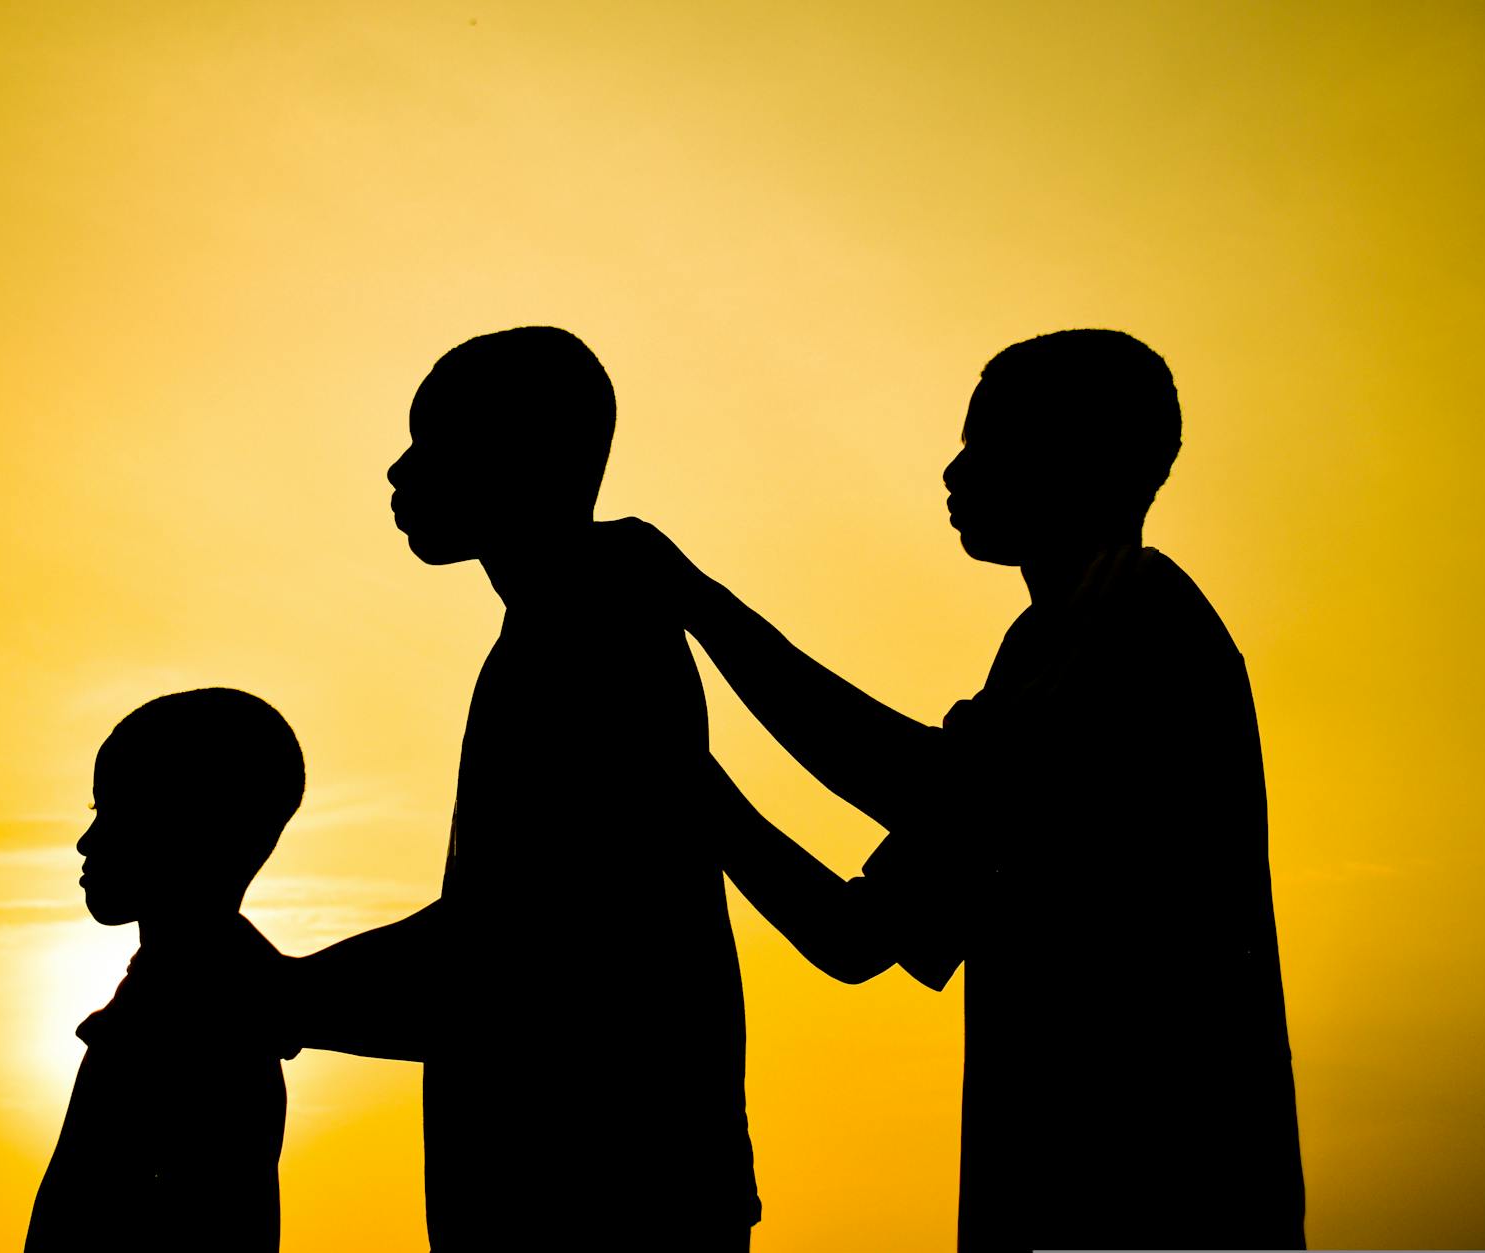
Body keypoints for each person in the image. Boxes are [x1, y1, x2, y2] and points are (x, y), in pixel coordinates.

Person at [616, 329, 1306, 1250]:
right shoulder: (1041, 654)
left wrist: (695, 600)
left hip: (1160, 1203)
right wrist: (692, 784)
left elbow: (920, 787)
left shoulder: (1144, 629)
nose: (952, 469)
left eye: (988, 444)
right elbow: (857, 934)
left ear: (1079, 459)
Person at [280, 327, 760, 1251]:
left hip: (603, 1187)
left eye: (433, 442)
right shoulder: (560, 631)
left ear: (520, 457)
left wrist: (285, 993)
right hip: (607, 1175)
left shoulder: (583, 640)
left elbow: (514, 945)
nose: (397, 469)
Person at [26, 688, 304, 1252]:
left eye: (113, 814)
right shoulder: (218, 1006)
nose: (87, 841)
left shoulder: (171, 1027)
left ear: (184, 829)